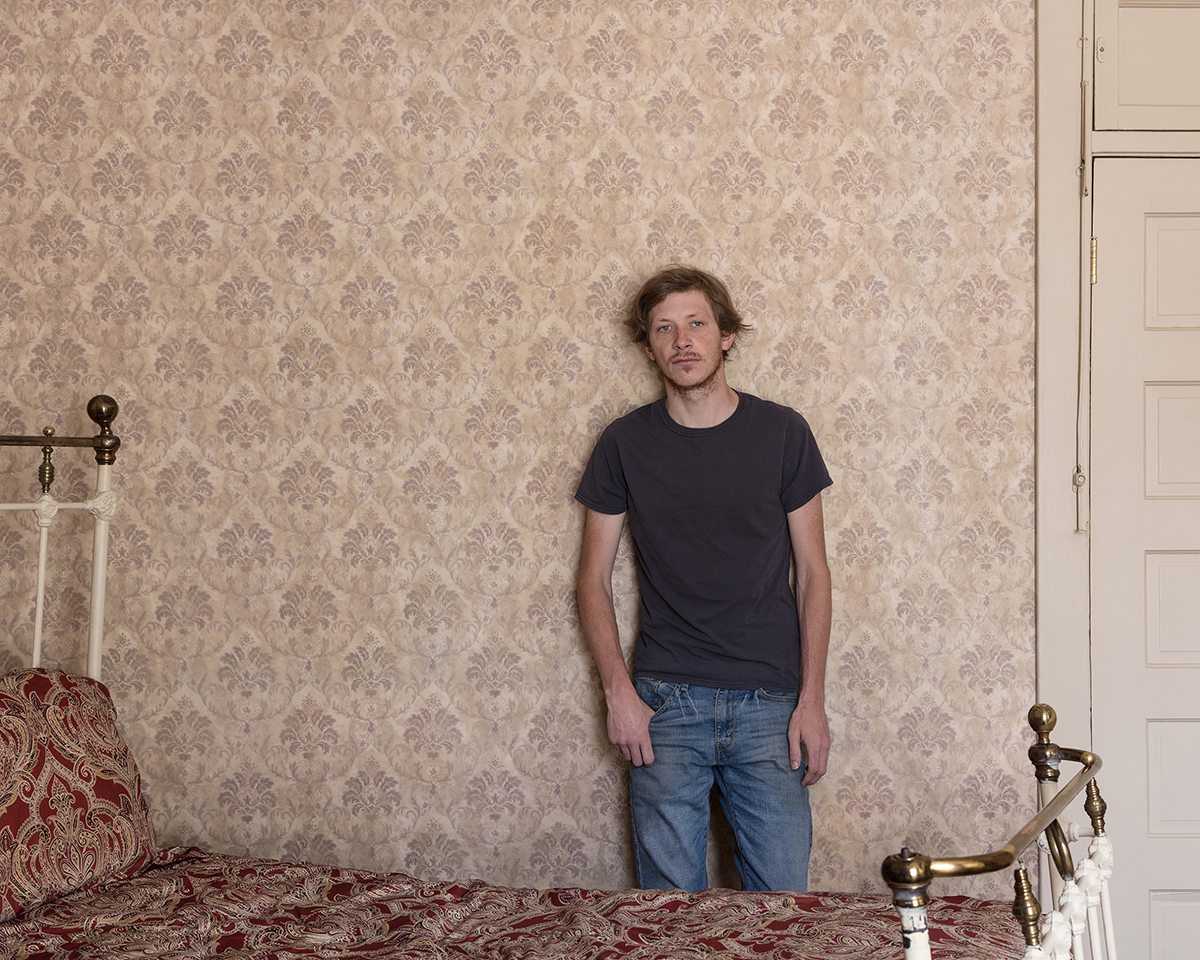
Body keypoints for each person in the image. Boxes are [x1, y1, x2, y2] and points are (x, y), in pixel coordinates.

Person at [574, 265, 833, 893]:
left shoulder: (783, 433)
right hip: (664, 705)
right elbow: (590, 580)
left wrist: (813, 701)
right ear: (648, 347)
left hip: (771, 704)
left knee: (781, 912)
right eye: (665, 328)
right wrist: (619, 695)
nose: (682, 340)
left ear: (726, 337)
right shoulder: (623, 443)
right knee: (668, 919)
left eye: (696, 323)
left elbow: (814, 576)